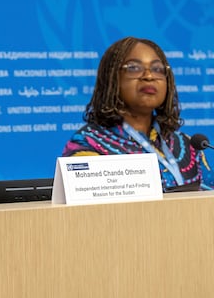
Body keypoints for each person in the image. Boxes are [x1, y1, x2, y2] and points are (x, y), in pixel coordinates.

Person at [62, 36, 213, 191]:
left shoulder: (188, 145)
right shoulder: (89, 144)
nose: (149, 76)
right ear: (112, 78)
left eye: (157, 69)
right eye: (134, 68)